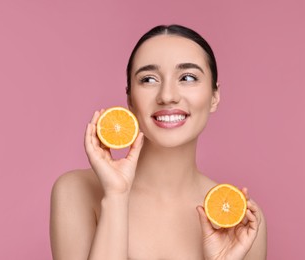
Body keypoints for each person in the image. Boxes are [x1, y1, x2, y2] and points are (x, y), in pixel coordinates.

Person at [50, 24, 267, 260]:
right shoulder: (75, 191)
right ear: (130, 99)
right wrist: (116, 196)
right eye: (149, 79)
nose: (167, 96)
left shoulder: (236, 218)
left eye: (187, 77)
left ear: (214, 96)